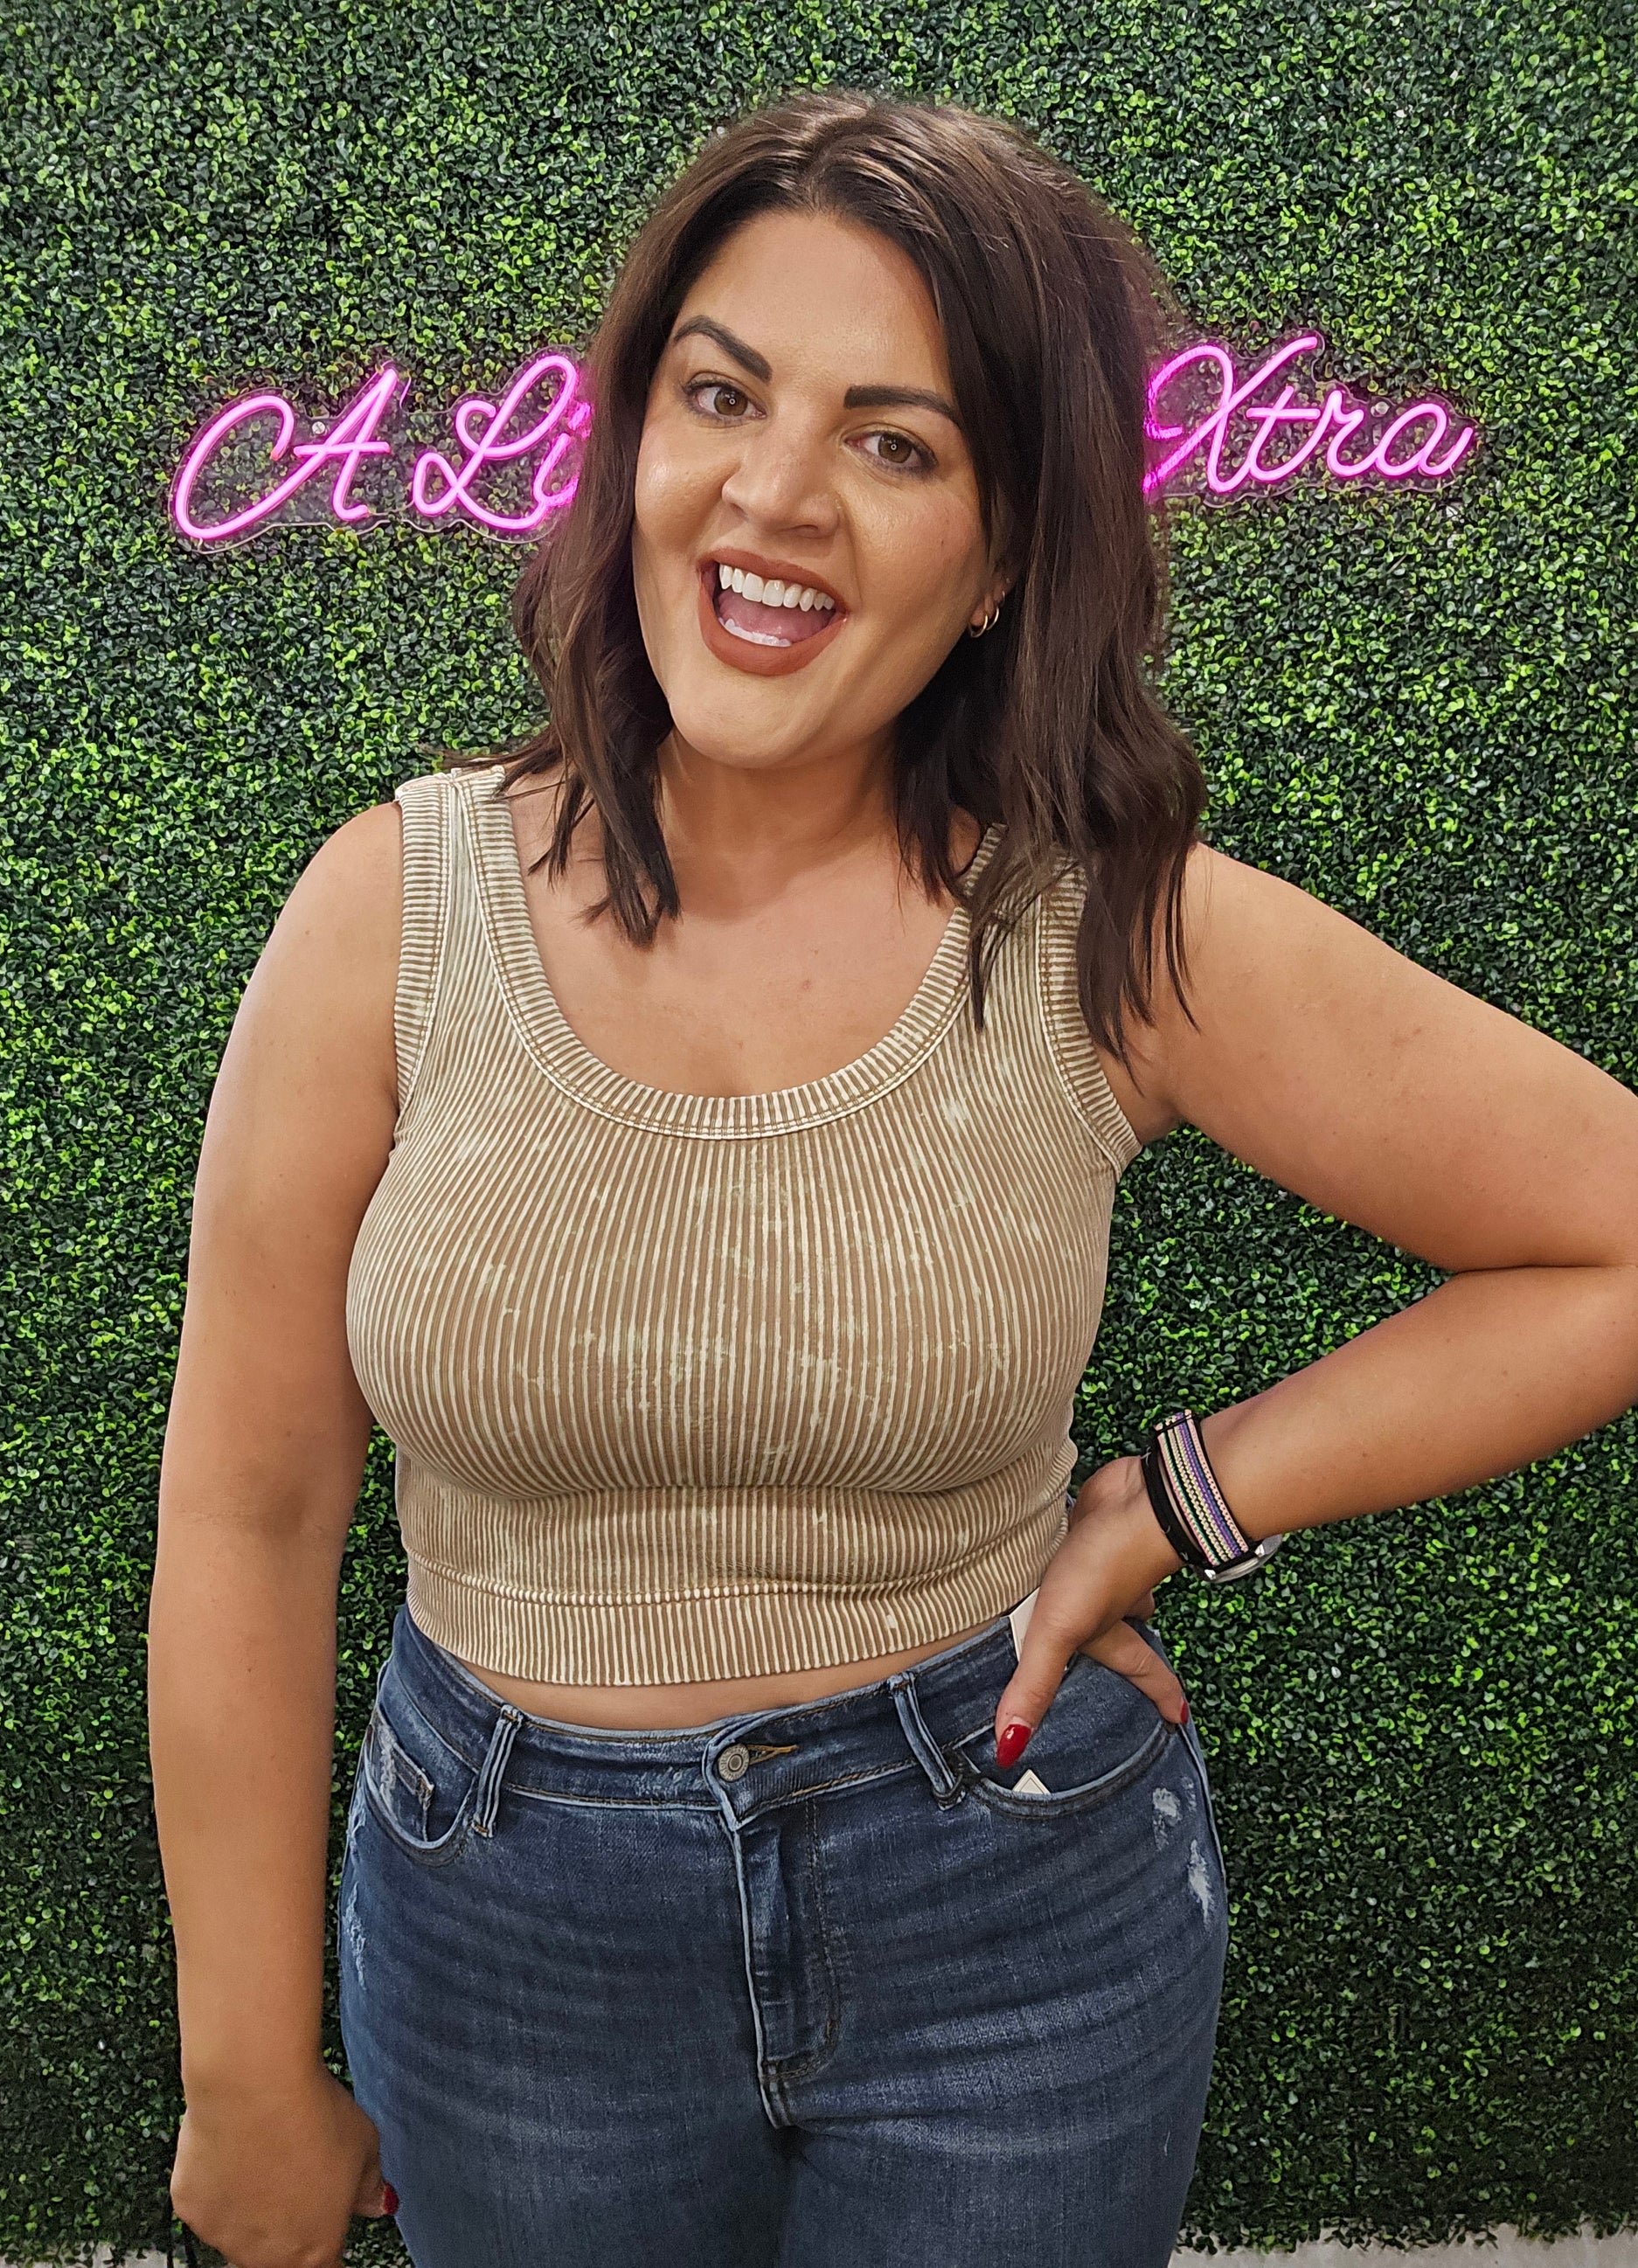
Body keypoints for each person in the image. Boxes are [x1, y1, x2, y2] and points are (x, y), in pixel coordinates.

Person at [149, 89, 1638, 2268]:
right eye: (721, 395)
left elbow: (1608, 1230)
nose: (774, 493)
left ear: (1006, 554)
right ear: (631, 439)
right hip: (503, 1945)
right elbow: (248, 1510)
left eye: (895, 441)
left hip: (1008, 1913)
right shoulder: (393, 908)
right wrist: (240, 2069)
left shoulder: (1100, 926)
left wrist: (1181, 1495)